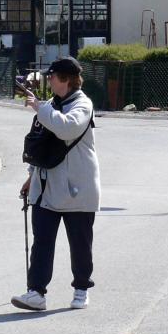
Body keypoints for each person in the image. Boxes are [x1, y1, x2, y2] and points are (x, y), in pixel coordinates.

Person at [11, 56, 99, 312]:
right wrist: (30, 177)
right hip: (46, 187)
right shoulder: (49, 104)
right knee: (42, 241)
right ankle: (36, 292)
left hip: (77, 189)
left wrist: (41, 108)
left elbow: (68, 129)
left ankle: (81, 289)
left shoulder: (83, 104)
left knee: (80, 242)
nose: (48, 79)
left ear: (66, 79)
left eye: (52, 76)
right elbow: (41, 144)